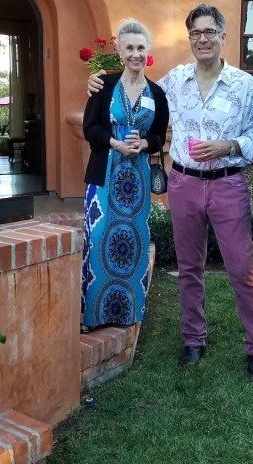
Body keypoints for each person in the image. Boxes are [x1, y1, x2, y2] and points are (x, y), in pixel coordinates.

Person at [90, 5, 253, 379]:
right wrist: (99, 81)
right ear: (190, 39)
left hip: (228, 183)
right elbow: (134, 84)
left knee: (242, 267)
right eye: (195, 33)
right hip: (184, 183)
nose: (202, 39)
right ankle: (193, 338)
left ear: (222, 36)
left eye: (209, 32)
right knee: (189, 267)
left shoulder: (245, 84)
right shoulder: (174, 81)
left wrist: (228, 145)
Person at [81, 19, 169, 330]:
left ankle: (126, 312)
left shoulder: (157, 93)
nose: (135, 54)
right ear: (119, 51)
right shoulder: (102, 85)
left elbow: (159, 136)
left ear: (148, 51)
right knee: (97, 241)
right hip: (104, 178)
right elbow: (89, 128)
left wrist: (144, 143)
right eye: (129, 47)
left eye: (140, 47)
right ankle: (93, 316)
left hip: (137, 182)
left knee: (132, 243)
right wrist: (115, 143)